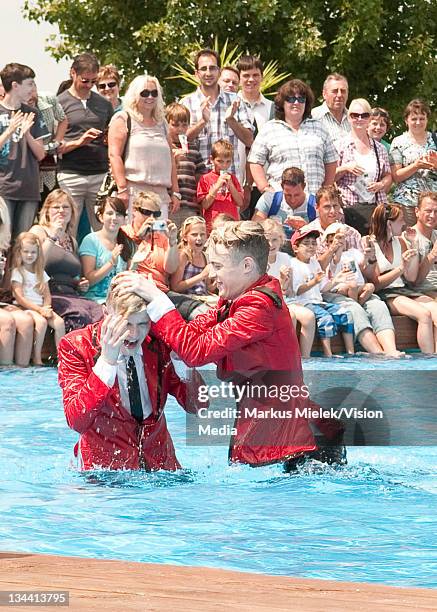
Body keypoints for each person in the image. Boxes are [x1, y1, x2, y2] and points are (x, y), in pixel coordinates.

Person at [114, 221, 346, 468]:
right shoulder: (233, 301)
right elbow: (189, 335)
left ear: (247, 266)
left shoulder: (258, 307)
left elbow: (195, 351)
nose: (211, 274)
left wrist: (159, 298)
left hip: (296, 440)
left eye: (217, 266)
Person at [57, 277, 207, 470]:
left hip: (162, 469)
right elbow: (77, 420)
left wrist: (181, 361)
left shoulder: (159, 343)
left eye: (143, 323)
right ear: (106, 314)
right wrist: (107, 362)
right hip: (103, 473)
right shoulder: (76, 346)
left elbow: (199, 406)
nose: (135, 334)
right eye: (127, 323)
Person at [303, 186, 403, 356]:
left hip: (356, 285)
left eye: (335, 206)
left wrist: (370, 259)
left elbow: (367, 273)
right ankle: (379, 354)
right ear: (316, 208)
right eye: (327, 207)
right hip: (327, 291)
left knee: (377, 305)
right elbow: (312, 270)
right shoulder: (308, 234)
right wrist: (332, 249)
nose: (332, 211)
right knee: (353, 309)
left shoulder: (352, 233)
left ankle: (391, 351)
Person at [122, 191, 208, 321]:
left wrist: (172, 241)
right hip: (133, 288)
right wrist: (139, 237)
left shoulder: (162, 237)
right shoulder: (124, 233)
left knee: (199, 311)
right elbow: (122, 265)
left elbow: (170, 269)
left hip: (159, 291)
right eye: (146, 212)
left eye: (156, 214)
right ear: (134, 210)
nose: (151, 217)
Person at [248, 78, 338, 196]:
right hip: (281, 201)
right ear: (282, 102)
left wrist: (325, 189)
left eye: (301, 99)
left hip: (315, 200)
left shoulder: (319, 127)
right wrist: (264, 187)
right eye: (291, 99)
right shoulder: (269, 129)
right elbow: (254, 161)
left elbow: (331, 161)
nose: (296, 103)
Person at [108, 74, 181, 219]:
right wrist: (122, 189)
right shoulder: (123, 118)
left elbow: (171, 159)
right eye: (145, 93)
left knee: (159, 238)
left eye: (154, 93)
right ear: (135, 94)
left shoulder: (163, 123)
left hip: (161, 194)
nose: (150, 97)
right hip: (133, 192)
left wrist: (176, 191)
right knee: (133, 238)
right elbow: (114, 155)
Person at [29, 189, 103, 332]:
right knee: (80, 315)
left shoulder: (72, 241)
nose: (61, 210)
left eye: (66, 207)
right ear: (47, 211)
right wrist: (52, 237)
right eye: (56, 207)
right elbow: (33, 266)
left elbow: (69, 275)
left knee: (99, 312)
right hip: (48, 293)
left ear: (72, 212)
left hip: (70, 293)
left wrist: (79, 283)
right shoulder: (38, 231)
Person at [57, 53, 113, 237]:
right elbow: (54, 147)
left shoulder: (104, 104)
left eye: (93, 81)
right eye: (85, 80)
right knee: (68, 228)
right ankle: (68, 265)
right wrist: (80, 142)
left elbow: (112, 137)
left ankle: (104, 265)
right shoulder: (59, 103)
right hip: (70, 174)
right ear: (73, 73)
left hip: (99, 173)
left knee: (103, 228)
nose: (89, 85)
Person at [370, 203, 437, 353]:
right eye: (400, 220)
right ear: (389, 223)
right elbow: (376, 284)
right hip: (387, 294)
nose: (404, 223)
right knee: (424, 314)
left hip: (405, 290)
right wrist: (401, 268)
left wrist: (412, 246)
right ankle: (429, 358)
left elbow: (411, 277)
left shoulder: (400, 242)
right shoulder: (370, 243)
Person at [182, 49, 254, 178]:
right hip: (199, 183)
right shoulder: (186, 103)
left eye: (212, 68)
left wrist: (231, 120)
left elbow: (249, 141)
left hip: (230, 182)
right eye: (203, 68)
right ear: (196, 73)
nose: (208, 73)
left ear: (219, 72)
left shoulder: (236, 101)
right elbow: (180, 141)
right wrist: (202, 122)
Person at [289, 228, 355, 357]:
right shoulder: (293, 264)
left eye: (314, 243)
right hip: (303, 303)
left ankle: (350, 352)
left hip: (318, 301)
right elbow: (297, 291)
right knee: (325, 318)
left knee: (346, 314)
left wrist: (336, 280)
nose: (311, 246)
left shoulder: (315, 263)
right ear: (295, 248)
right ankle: (328, 353)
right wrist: (314, 281)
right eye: (306, 243)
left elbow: (323, 288)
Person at [0, 63, 47, 237]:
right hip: (3, 189)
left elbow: (41, 154)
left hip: (29, 188)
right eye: (29, 84)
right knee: (2, 241)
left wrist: (27, 134)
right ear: (15, 85)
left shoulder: (33, 113)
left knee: (23, 243)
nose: (33, 89)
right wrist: (9, 131)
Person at [335, 98, 392, 235]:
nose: (359, 119)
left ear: (369, 118)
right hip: (349, 208)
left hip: (375, 208)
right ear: (349, 117)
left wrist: (381, 185)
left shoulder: (380, 148)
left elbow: (388, 176)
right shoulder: (339, 145)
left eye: (364, 115)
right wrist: (345, 168)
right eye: (355, 115)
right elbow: (329, 178)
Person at [262, 218, 316, 358]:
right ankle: (286, 357)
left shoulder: (285, 258)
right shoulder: (259, 260)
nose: (271, 244)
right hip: (267, 302)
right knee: (289, 316)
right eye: (267, 240)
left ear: (281, 240)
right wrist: (280, 281)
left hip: (285, 300)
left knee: (309, 317)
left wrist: (285, 282)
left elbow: (290, 291)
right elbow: (263, 292)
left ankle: (305, 359)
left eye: (274, 240)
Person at [10, 232, 65, 364]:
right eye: (26, 251)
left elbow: (47, 295)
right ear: (19, 252)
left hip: (41, 308)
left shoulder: (41, 273)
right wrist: (39, 310)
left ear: (38, 253)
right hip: (25, 308)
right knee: (41, 322)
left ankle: (62, 359)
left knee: (59, 323)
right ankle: (37, 356)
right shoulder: (18, 272)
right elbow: (20, 297)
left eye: (33, 252)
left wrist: (46, 307)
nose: (29, 255)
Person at [236, 55, 275, 218]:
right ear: (239, 78)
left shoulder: (272, 107)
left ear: (262, 77)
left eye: (255, 75)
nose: (251, 80)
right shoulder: (231, 105)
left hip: (265, 183)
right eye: (246, 75)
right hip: (235, 181)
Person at [390, 99, 437, 226]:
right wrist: (416, 166)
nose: (418, 122)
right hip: (407, 204)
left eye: (422, 118)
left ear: (427, 119)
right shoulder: (398, 142)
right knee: (409, 242)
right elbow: (396, 176)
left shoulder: (435, 140)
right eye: (414, 118)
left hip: (433, 205)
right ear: (406, 120)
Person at [79, 197, 133, 304]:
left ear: (124, 219)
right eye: (109, 213)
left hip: (120, 299)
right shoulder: (91, 240)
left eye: (118, 214)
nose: (114, 218)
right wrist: (111, 263)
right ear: (101, 216)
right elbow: (89, 280)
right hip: (95, 299)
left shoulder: (127, 242)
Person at [0, 196, 34, 366]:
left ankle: (21, 374)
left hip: (2, 302)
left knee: (26, 321)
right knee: (6, 321)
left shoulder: (5, 251)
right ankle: (6, 369)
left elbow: (6, 288)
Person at [165, 102, 207, 227]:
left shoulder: (193, 147)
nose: (180, 129)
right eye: (175, 125)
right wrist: (173, 159)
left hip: (190, 205)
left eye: (184, 125)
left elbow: (200, 174)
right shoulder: (164, 147)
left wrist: (200, 199)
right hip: (169, 205)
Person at [27, 82, 68, 199]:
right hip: (24, 170)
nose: (30, 96)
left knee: (51, 205)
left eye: (32, 90)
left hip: (47, 168)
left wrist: (56, 142)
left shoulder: (48, 100)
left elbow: (63, 119)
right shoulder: (13, 107)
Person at [252, 167, 316, 239]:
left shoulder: (316, 204)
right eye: (288, 195)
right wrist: (271, 226)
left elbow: (325, 234)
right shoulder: (269, 199)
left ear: (304, 186)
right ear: (282, 186)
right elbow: (255, 228)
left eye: (297, 195)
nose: (293, 200)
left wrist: (306, 228)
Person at [322, 222, 375, 304]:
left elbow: (362, 265)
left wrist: (367, 256)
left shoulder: (353, 252)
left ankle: (359, 304)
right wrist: (338, 246)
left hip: (358, 285)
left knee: (370, 287)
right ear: (327, 244)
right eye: (331, 241)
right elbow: (337, 259)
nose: (337, 242)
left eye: (341, 239)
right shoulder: (332, 256)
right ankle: (356, 306)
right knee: (352, 285)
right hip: (340, 287)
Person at [197, 139, 243, 232]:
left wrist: (231, 186)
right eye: (220, 161)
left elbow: (240, 202)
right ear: (212, 159)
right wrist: (217, 186)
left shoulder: (232, 178)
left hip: (231, 224)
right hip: (213, 224)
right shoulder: (205, 179)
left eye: (228, 161)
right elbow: (205, 205)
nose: (224, 165)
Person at [170, 216, 213, 298]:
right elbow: (175, 287)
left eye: (202, 234)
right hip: (186, 299)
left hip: (203, 298)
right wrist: (201, 276)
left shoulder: (206, 257)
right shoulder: (183, 255)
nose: (199, 238)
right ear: (185, 237)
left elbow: (208, 288)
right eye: (194, 234)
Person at [409, 191, 437, 298]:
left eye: (436, 211)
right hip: (422, 291)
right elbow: (415, 282)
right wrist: (432, 254)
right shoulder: (408, 238)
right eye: (428, 211)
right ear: (417, 211)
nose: (432, 215)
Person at [311, 73, 351, 142]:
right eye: (335, 91)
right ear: (324, 94)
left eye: (343, 91)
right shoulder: (313, 117)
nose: (339, 95)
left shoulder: (354, 118)